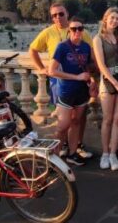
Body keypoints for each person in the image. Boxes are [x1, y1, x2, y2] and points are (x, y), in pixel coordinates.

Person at [29, 1, 94, 160]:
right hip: (60, 82)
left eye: (61, 14)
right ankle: (57, 153)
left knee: (77, 119)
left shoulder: (83, 36)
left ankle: (75, 148)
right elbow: (33, 50)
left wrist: (92, 79)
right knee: (63, 121)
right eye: (54, 15)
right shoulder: (49, 33)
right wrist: (41, 68)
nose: (57, 17)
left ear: (67, 14)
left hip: (80, 85)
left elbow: (90, 59)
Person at [48, 17, 93, 166]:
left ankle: (72, 154)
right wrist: (76, 77)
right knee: (62, 126)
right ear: (69, 31)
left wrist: (91, 81)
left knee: (76, 122)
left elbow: (88, 67)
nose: (77, 31)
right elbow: (52, 71)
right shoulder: (62, 47)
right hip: (66, 91)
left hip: (81, 91)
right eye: (74, 29)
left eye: (80, 28)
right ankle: (54, 157)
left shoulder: (86, 47)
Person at [93, 7, 118, 171]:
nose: (115, 21)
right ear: (105, 18)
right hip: (109, 79)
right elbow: (101, 65)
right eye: (112, 18)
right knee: (107, 119)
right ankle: (105, 153)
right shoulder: (98, 39)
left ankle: (113, 154)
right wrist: (115, 83)